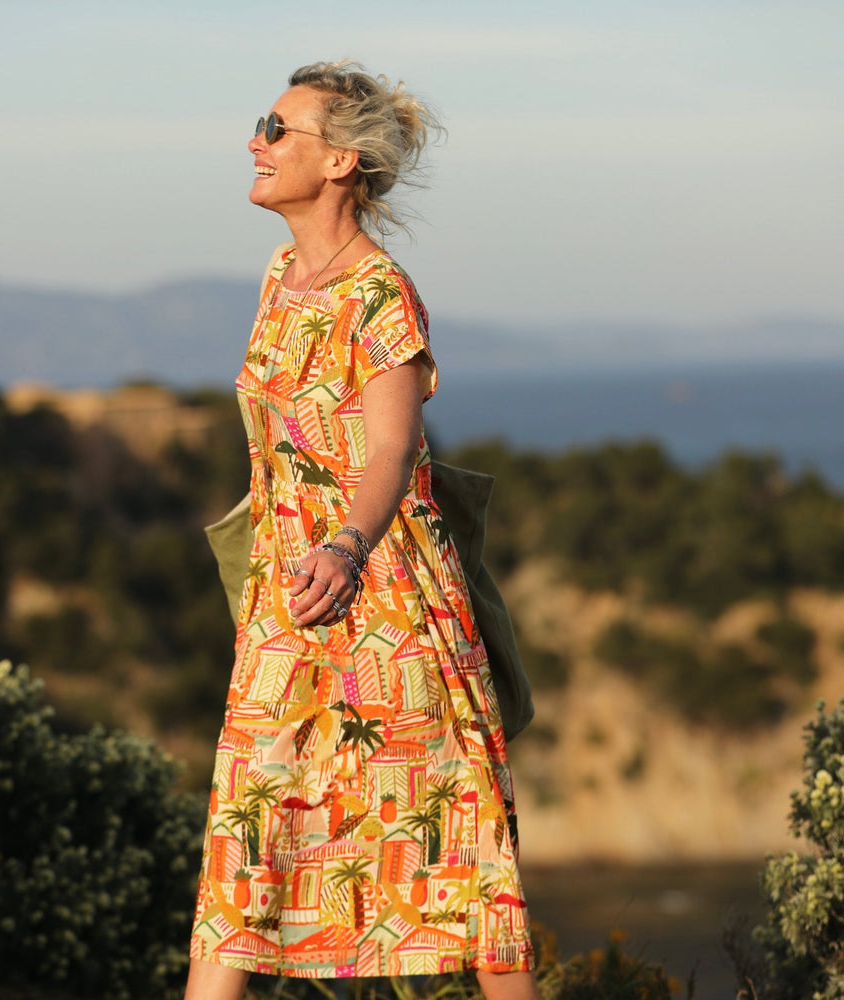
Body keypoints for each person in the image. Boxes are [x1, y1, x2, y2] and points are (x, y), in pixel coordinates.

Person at [186, 60, 538, 1000]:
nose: (255, 142)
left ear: (340, 160)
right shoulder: (281, 275)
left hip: (385, 600)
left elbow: (392, 447)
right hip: (287, 603)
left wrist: (344, 547)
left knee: (460, 855)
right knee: (244, 841)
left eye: (277, 127)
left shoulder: (380, 292)